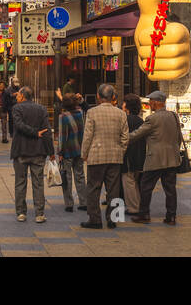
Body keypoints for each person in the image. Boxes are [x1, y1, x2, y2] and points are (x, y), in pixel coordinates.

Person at [129, 91, 185, 225]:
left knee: (146, 186)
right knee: (170, 189)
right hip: (172, 158)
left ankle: (144, 214)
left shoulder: (152, 119)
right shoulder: (173, 116)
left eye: (150, 102)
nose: (149, 104)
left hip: (155, 159)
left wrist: (122, 138)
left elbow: (137, 134)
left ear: (155, 102)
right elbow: (178, 137)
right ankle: (171, 216)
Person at [80, 83, 128, 229]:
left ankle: (95, 219)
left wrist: (84, 153)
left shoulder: (92, 112)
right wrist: (120, 151)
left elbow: (88, 135)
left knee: (93, 188)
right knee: (113, 189)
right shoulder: (121, 113)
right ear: (113, 97)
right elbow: (125, 137)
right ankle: (113, 218)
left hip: (96, 155)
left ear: (98, 97)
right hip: (115, 156)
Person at [9, 86, 54, 223]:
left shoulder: (17, 109)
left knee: (20, 182)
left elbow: (19, 125)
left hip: (21, 151)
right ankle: (39, 213)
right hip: (38, 151)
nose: (16, 97)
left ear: (22, 96)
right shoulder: (41, 109)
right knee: (38, 183)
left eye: (17, 95)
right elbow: (47, 130)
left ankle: (21, 212)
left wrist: (34, 132)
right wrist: (51, 151)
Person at [56, 94, 86, 213]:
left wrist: (60, 152)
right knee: (80, 176)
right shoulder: (81, 114)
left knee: (67, 177)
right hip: (80, 149)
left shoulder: (63, 116)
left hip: (68, 150)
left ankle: (69, 203)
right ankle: (84, 202)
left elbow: (62, 136)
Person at [121, 95, 146, 216]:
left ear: (127, 105)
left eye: (123, 103)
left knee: (128, 181)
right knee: (135, 181)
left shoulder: (126, 120)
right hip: (140, 155)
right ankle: (137, 205)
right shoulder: (140, 120)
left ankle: (133, 207)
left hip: (129, 156)